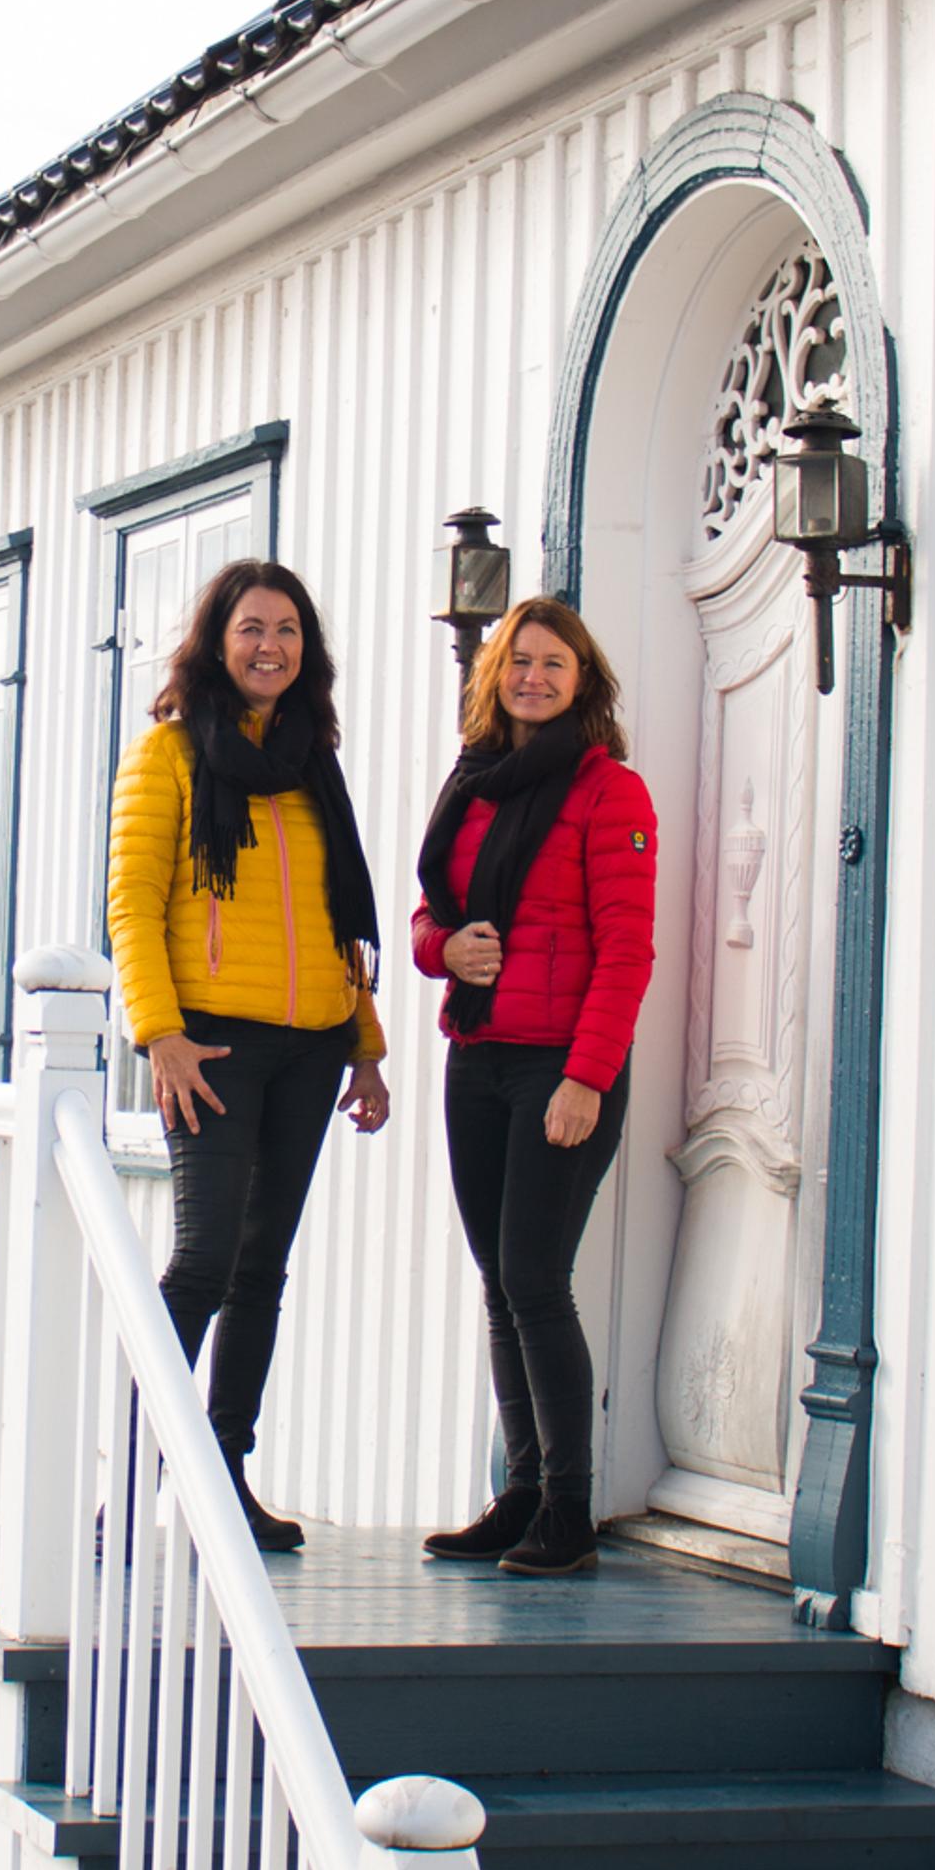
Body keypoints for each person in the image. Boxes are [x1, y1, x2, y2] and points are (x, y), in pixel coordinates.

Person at [107, 560, 392, 1551]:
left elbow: (338, 917)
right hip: (211, 1044)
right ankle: (130, 1488)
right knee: (201, 1263)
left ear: (305, 650)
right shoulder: (170, 754)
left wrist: (366, 1047)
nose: (270, 646)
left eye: (287, 631)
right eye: (251, 629)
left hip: (313, 1044)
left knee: (261, 1268)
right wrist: (160, 1032)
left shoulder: (316, 760)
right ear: (216, 641)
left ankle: (223, 1481)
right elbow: (134, 904)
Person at [409, 596, 659, 1577]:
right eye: (519, 661)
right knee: (501, 1288)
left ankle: (568, 1512)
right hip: (476, 1061)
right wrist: (443, 949)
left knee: (534, 1282)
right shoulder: (471, 786)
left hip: (562, 1065)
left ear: (582, 681)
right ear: (494, 676)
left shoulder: (611, 794)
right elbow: (435, 911)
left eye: (555, 663)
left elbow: (626, 952)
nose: (534, 677)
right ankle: (518, 1495)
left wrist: (587, 1079)